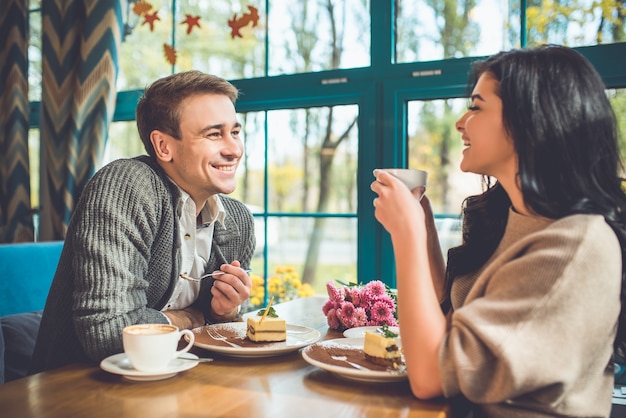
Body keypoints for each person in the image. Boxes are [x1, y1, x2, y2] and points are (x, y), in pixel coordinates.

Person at [371, 45, 626, 417]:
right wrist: (423, 228)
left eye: (476, 107)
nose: (460, 122)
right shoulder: (515, 217)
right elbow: (454, 310)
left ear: (531, 121)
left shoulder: (574, 246)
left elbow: (430, 375)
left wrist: (405, 234)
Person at [31, 71, 255, 372]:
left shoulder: (238, 219)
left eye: (235, 132)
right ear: (164, 146)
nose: (234, 149)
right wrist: (196, 317)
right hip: (81, 388)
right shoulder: (126, 185)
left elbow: (229, 332)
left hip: (185, 382)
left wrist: (227, 312)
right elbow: (108, 332)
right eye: (214, 134)